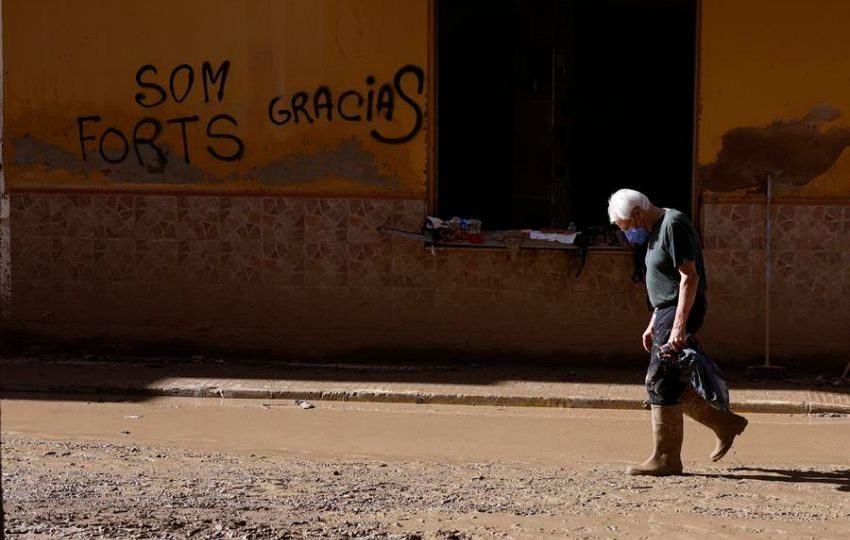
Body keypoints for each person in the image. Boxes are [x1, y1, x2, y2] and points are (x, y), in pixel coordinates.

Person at [607, 189, 748, 476]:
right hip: (666, 311)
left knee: (658, 379)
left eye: (626, 227)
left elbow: (688, 277)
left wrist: (678, 327)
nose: (628, 235)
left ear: (637, 214)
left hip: (680, 311)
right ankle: (724, 424)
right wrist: (653, 322)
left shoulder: (673, 224)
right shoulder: (656, 231)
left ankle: (666, 458)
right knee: (669, 381)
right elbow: (664, 283)